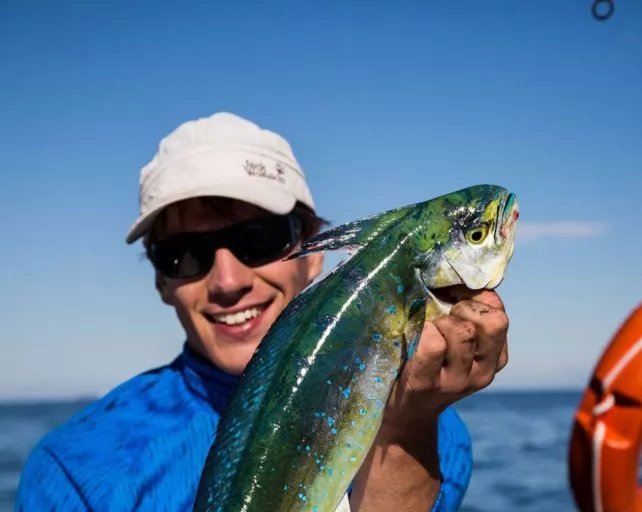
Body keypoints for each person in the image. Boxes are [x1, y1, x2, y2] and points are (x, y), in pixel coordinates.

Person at [14, 112, 510, 512]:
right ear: (161, 280)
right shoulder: (72, 472)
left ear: (315, 253)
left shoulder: (436, 434)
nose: (228, 282)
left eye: (259, 241)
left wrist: (404, 438)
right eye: (184, 255)